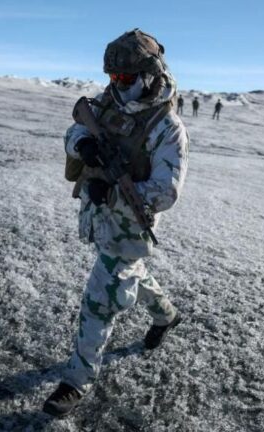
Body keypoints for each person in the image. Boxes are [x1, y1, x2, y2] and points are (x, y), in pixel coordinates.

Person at [44, 28, 189, 417]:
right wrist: (83, 144)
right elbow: (76, 129)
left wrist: (111, 192)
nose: (118, 84)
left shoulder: (167, 127)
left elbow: (166, 191)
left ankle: (77, 380)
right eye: (113, 77)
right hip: (100, 218)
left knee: (99, 301)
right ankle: (167, 315)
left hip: (129, 226)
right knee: (132, 275)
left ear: (149, 74)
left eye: (125, 77)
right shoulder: (107, 102)